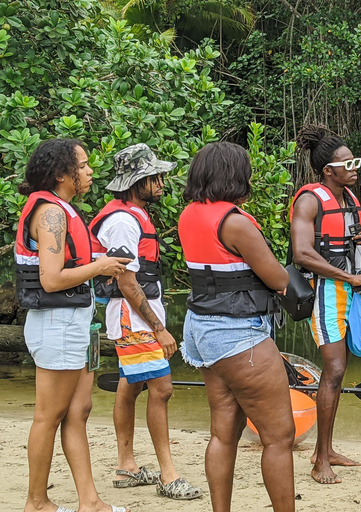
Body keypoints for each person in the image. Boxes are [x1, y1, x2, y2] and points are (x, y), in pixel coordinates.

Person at [15, 139, 132, 512]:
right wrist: (101, 266)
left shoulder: (60, 209)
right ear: (62, 174)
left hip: (72, 321)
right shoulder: (51, 213)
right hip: (57, 322)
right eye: (82, 166)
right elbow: (50, 279)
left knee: (78, 410)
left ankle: (90, 502)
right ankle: (36, 502)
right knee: (48, 416)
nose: (89, 171)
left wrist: (100, 263)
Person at [178, 142, 294, 512]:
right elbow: (277, 278)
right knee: (279, 437)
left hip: (200, 331)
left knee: (223, 432)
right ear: (234, 175)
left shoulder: (189, 214)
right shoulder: (236, 222)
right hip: (237, 335)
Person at [89, 144, 202, 500]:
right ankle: (169, 476)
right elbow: (125, 280)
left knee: (130, 385)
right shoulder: (123, 221)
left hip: (131, 314)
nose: (161, 182)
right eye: (155, 177)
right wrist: (159, 327)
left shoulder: (131, 214)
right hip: (132, 317)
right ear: (138, 181)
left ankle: (127, 466)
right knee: (162, 389)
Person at [290, 125, 361, 484]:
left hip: (348, 292)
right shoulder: (310, 200)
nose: (354, 167)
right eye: (348, 163)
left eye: (355, 161)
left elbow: (345, 244)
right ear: (328, 170)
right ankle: (318, 462)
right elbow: (302, 253)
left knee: (338, 371)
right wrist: (350, 279)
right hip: (326, 293)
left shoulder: (350, 200)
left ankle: (325, 451)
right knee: (334, 371)